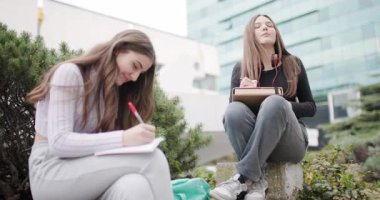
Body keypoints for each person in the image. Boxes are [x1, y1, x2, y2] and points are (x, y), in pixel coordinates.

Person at [26, 29, 173, 200]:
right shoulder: (70, 74)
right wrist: (124, 138)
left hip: (86, 173)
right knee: (153, 159)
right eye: (135, 66)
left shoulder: (115, 94)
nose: (134, 77)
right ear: (118, 50)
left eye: (141, 73)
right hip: (51, 173)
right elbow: (59, 143)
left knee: (134, 186)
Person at [210, 14, 316, 200]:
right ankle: (256, 183)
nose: (265, 28)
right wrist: (245, 97)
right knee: (234, 110)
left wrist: (278, 102)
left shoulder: (293, 63)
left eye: (269, 25)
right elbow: (234, 119)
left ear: (276, 32)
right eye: (258, 26)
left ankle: (242, 179)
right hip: (259, 143)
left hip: (290, 143)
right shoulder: (240, 69)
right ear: (251, 35)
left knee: (274, 102)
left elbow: (311, 107)